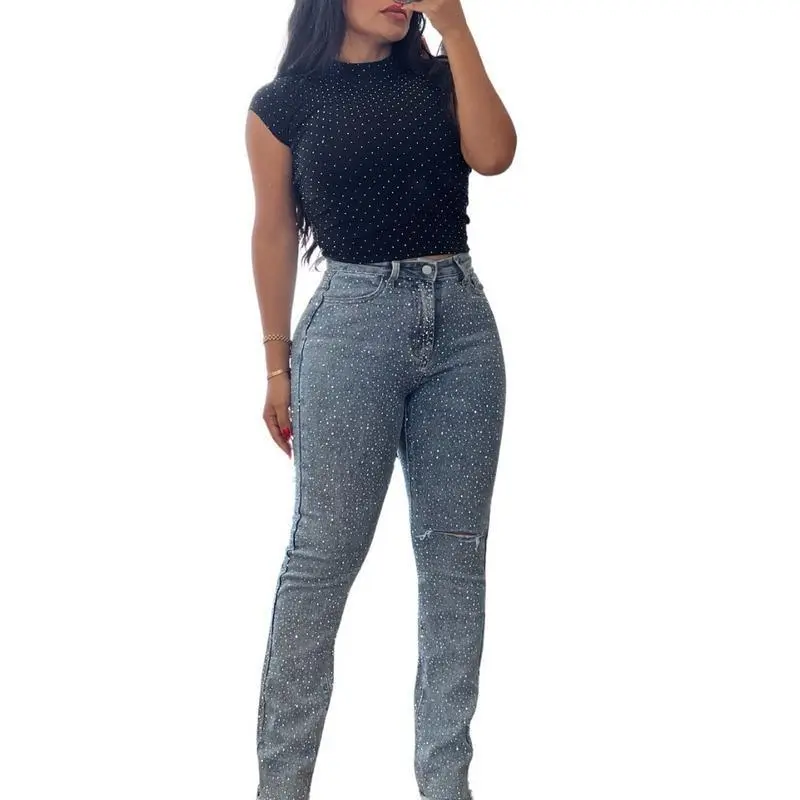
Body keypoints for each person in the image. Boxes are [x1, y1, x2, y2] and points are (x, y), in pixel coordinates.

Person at [244, 1, 516, 797]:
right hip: (348, 333)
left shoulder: (441, 78)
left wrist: (457, 29)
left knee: (456, 560)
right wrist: (275, 367)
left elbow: (496, 155)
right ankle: (282, 787)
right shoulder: (284, 104)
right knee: (322, 560)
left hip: (462, 332)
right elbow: (272, 231)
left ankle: (447, 785)